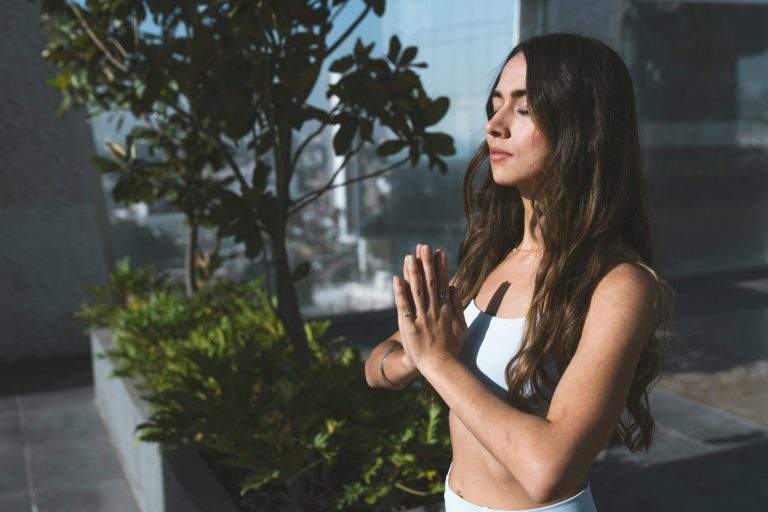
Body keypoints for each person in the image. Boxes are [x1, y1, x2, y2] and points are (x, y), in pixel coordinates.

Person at [364, 31, 676, 511]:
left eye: (524, 109)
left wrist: (438, 362)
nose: (495, 125)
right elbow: (377, 364)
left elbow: (549, 471)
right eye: (495, 105)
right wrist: (412, 358)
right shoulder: (491, 259)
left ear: (582, 128)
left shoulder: (618, 286)